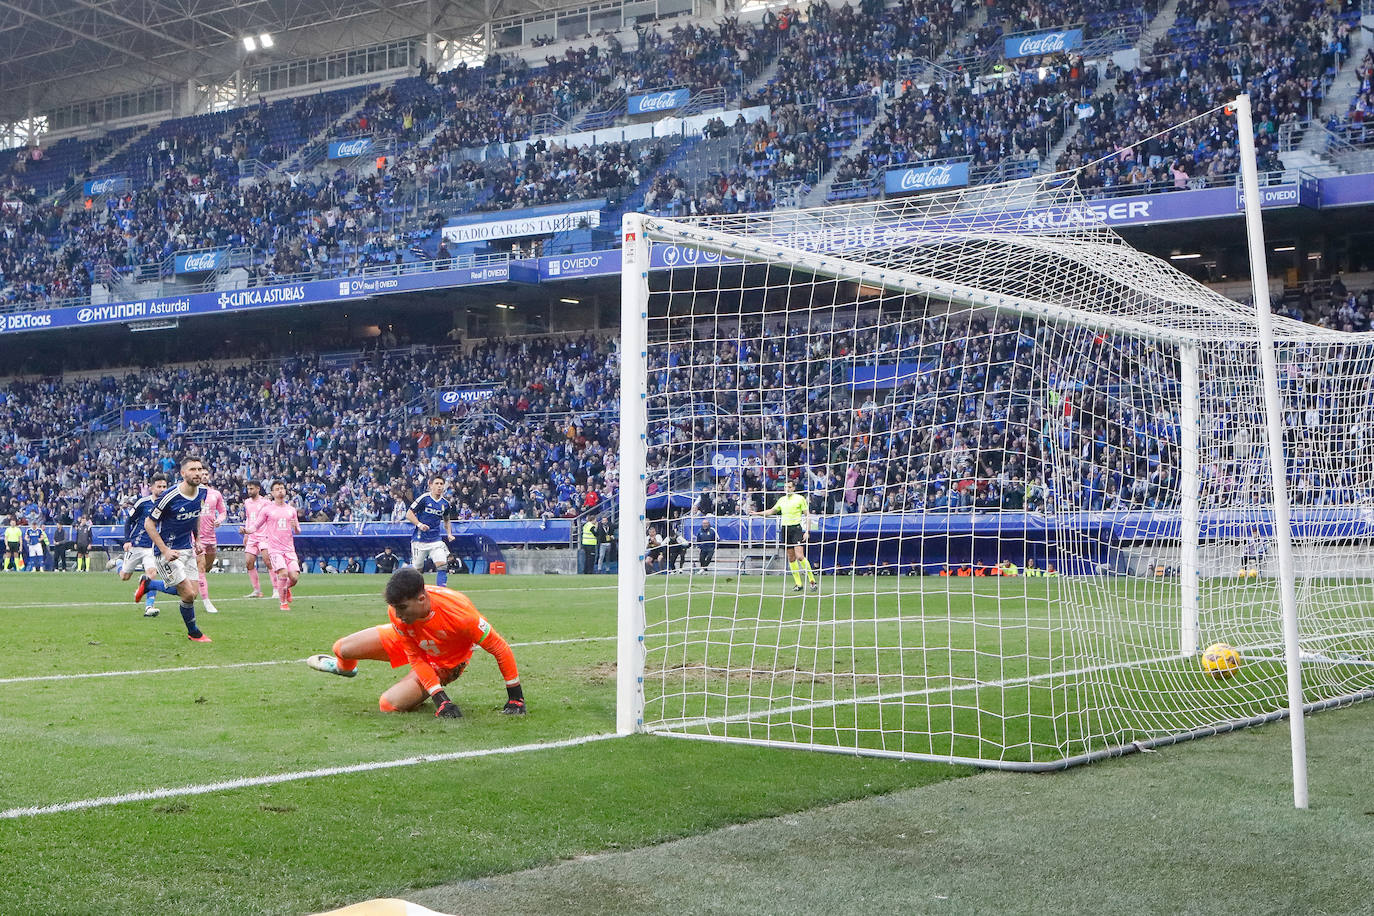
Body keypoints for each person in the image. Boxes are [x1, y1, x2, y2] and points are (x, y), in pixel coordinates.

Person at [305, 567, 527, 717]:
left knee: (388, 705)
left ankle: (420, 691)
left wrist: (515, 698)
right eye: (394, 608)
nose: (397, 614)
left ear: (422, 599)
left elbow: (499, 647)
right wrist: (441, 699)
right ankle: (344, 670)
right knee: (341, 648)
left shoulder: (461, 615)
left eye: (402, 608)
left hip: (444, 662)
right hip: (412, 641)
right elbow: (415, 655)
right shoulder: (399, 613)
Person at [141, 456, 211, 643]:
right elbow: (149, 523)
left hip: (187, 548)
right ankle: (194, 632)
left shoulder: (203, 492)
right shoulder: (170, 497)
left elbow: (195, 516)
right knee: (187, 593)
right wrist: (164, 550)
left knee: (191, 594)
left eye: (199, 469)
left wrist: (197, 540)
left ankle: (149, 584)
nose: (197, 473)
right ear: (182, 473)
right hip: (167, 551)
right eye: (192, 470)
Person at [750, 479, 817, 592]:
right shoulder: (781, 500)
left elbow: (807, 515)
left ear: (793, 488)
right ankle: (798, 584)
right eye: (786, 487)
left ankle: (812, 581)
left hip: (796, 528)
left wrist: (807, 531)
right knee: (791, 558)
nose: (787, 489)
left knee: (800, 556)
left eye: (790, 487)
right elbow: (771, 511)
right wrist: (757, 513)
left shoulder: (800, 499)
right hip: (785, 529)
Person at [250, 481, 302, 611]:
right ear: (272, 493)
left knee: (294, 577)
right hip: (275, 549)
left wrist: (295, 526)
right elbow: (256, 525)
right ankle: (283, 603)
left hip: (289, 549)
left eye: (282, 488)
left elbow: (298, 531)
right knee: (283, 573)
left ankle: (285, 589)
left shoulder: (291, 510)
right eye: (277, 489)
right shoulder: (267, 510)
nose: (280, 491)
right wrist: (247, 531)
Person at [125, 474, 169, 617]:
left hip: (153, 547)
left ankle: (149, 607)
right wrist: (127, 540)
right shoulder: (142, 503)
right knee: (125, 576)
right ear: (151, 488)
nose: (162, 489)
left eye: (164, 486)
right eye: (159, 486)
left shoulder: (168, 505)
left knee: (152, 574)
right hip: (137, 544)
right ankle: (118, 562)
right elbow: (128, 521)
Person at [407, 475, 454, 586]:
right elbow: (409, 514)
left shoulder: (445, 504)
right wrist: (419, 524)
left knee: (442, 565)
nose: (439, 486)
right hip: (420, 539)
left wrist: (449, 534)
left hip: (435, 540)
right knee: (417, 570)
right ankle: (401, 572)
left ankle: (442, 592)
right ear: (430, 485)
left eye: (441, 484)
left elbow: (447, 520)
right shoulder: (424, 498)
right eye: (436, 483)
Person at [195, 465, 227, 614]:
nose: (205, 476)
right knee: (201, 568)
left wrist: (220, 520)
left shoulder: (215, 494)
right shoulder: (193, 493)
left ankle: (194, 584)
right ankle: (207, 602)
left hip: (211, 537)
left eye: (207, 474)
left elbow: (222, 511)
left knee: (206, 568)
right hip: (197, 538)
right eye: (203, 474)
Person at [240, 480, 274, 599]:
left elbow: (271, 518)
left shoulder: (266, 503)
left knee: (268, 562)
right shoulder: (247, 502)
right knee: (249, 562)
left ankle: (276, 589)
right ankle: (257, 590)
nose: (249, 491)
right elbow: (249, 518)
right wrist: (246, 534)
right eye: (248, 489)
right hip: (252, 536)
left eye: (252, 489)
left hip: (264, 535)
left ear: (258, 489)